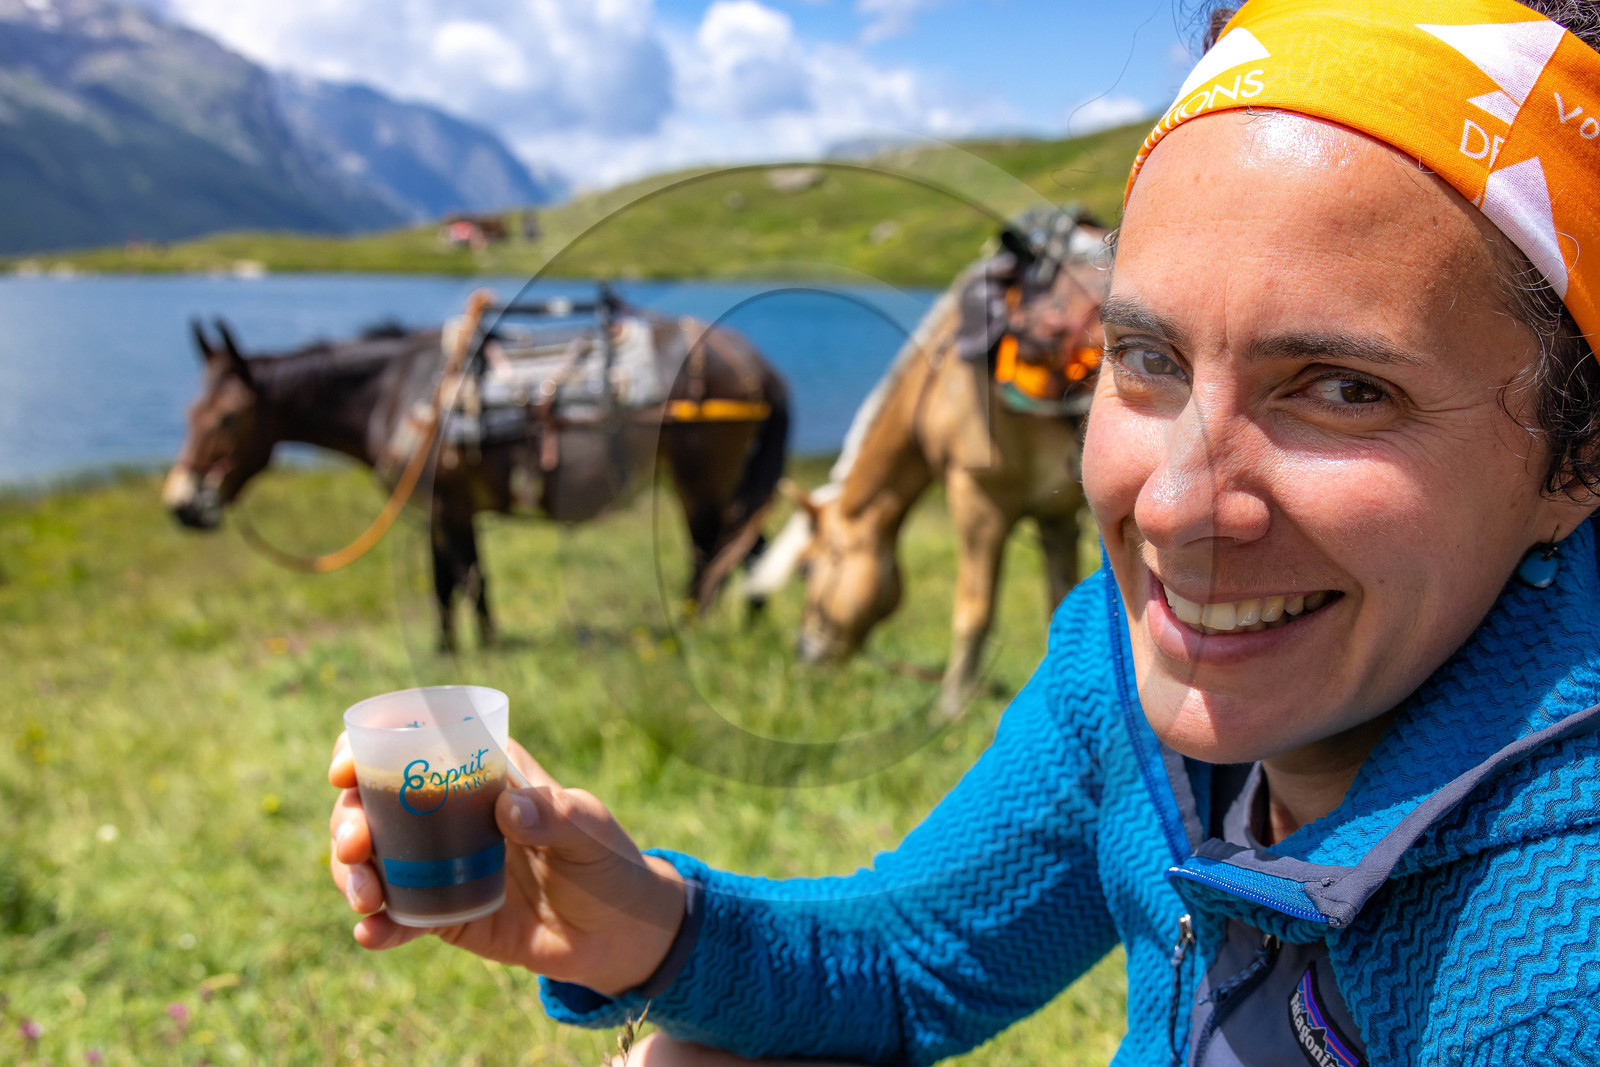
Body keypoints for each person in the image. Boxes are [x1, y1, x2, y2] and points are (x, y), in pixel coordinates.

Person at [328, 0, 1600, 1062]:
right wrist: (639, 919)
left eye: (1340, 387)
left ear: (1574, 454)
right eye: (1145, 357)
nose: (1170, 506)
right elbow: (909, 957)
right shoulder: (1132, 652)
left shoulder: (1559, 966)